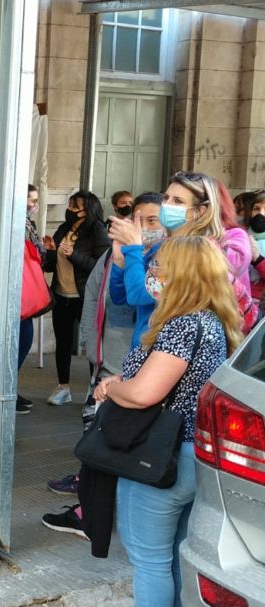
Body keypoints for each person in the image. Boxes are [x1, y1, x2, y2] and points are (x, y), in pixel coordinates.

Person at [93, 236, 241, 605]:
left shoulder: (183, 325)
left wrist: (112, 388)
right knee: (176, 557)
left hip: (161, 457)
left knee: (149, 561)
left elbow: (146, 394)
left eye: (159, 266)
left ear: (183, 275)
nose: (152, 273)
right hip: (195, 457)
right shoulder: (213, 321)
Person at [42, 192, 163, 536]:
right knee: (96, 432)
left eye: (152, 220)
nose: (141, 227)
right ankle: (90, 500)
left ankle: (93, 512)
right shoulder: (118, 255)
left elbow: (139, 299)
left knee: (110, 437)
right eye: (137, 220)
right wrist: (89, 343)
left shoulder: (161, 260)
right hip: (108, 360)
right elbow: (102, 295)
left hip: (130, 364)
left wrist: (133, 253)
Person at [109, 171, 254, 347]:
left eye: (178, 201)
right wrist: (119, 262)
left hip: (173, 355)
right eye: (166, 198)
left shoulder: (197, 252)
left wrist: (133, 248)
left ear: (200, 211)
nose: (167, 205)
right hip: (150, 349)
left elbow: (138, 295)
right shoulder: (164, 246)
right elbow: (120, 298)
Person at [42, 191, 111, 406]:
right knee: (62, 342)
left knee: (91, 343)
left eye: (75, 207)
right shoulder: (64, 229)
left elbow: (100, 268)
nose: (70, 210)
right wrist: (50, 252)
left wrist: (73, 254)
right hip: (61, 295)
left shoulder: (97, 231)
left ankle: (95, 389)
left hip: (85, 297)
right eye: (70, 205)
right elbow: (51, 265)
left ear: (87, 210)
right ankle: (64, 387)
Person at [17, 184, 46, 414]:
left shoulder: (29, 225)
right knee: (21, 340)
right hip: (16, 294)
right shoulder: (17, 223)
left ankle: (10, 387)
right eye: (29, 200)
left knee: (24, 341)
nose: (32, 205)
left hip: (24, 295)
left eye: (35, 200)